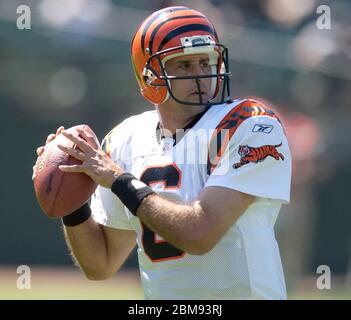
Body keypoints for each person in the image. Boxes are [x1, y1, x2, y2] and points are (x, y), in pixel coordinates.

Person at [33, 6, 291, 299]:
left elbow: (199, 234)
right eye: (183, 65)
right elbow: (100, 264)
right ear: (150, 76)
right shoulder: (125, 138)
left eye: (205, 62)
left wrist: (118, 180)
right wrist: (71, 193)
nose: (200, 76)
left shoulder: (250, 124)